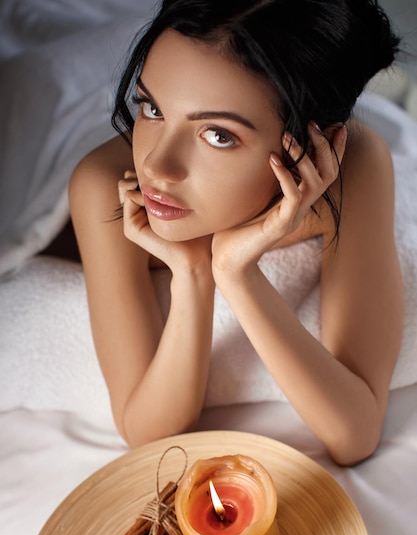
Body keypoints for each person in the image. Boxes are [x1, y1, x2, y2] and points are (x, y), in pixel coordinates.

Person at [69, 0, 404, 465]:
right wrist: (191, 273)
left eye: (218, 135)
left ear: (311, 144)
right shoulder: (106, 188)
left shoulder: (355, 167)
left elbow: (355, 433)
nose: (155, 166)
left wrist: (235, 270)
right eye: (151, 107)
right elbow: (146, 432)